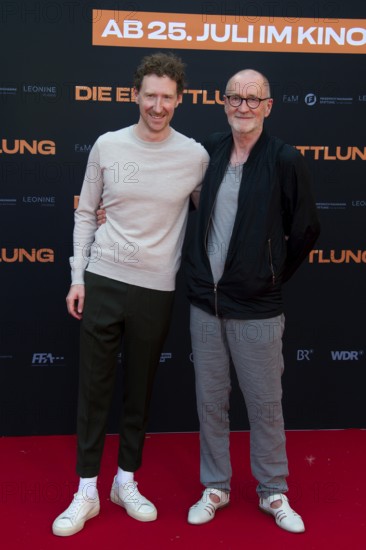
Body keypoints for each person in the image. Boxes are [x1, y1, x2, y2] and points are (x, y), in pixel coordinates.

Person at [52, 52, 209, 537]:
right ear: (135, 96)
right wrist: (78, 276)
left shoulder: (196, 157)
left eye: (167, 97)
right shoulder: (107, 145)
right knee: (94, 390)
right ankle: (85, 492)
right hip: (102, 279)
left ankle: (126, 481)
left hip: (156, 288)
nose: (157, 105)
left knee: (139, 392)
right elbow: (86, 212)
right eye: (150, 96)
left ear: (179, 100)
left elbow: (219, 215)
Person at [184, 69, 320, 533]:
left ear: (268, 105)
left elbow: (305, 229)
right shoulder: (211, 152)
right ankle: (216, 486)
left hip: (258, 306)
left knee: (265, 404)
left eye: (252, 99)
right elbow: (175, 203)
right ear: (223, 103)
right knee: (210, 402)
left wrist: (269, 275)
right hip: (206, 303)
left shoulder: (284, 159)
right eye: (234, 98)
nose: (243, 106)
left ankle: (273, 491)